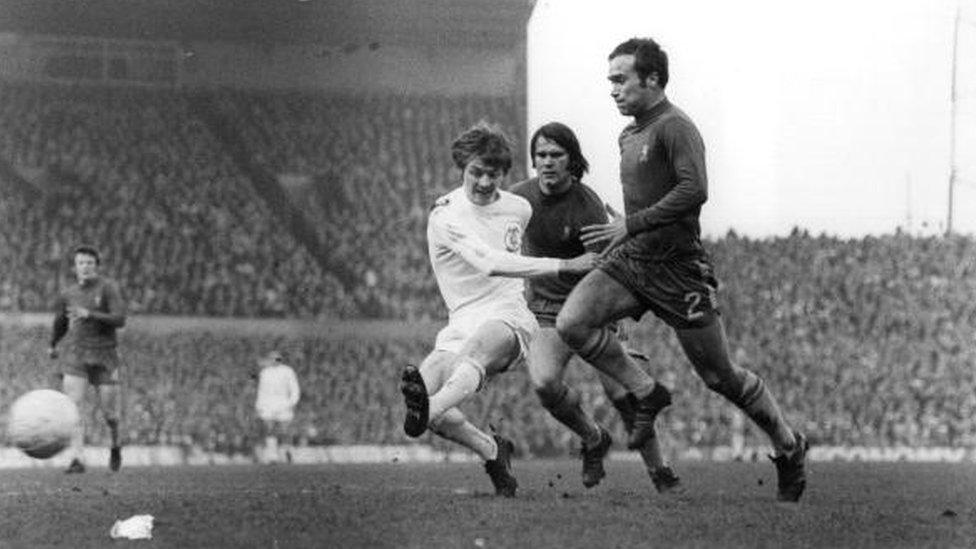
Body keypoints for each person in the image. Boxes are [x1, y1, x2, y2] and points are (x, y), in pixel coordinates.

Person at [559, 37, 808, 502]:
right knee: (573, 322)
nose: (612, 89)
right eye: (609, 80)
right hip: (634, 261)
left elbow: (695, 191)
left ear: (652, 79)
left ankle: (788, 446)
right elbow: (647, 195)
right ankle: (646, 391)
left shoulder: (676, 127)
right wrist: (625, 224)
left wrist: (631, 223)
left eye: (620, 79)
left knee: (720, 379)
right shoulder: (628, 134)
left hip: (679, 270)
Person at [399, 121, 596, 497]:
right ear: (462, 168)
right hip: (461, 322)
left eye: (494, 174)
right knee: (434, 413)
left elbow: (560, 217)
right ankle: (492, 451)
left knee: (439, 393)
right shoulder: (445, 215)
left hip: (508, 315)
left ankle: (427, 406)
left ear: (505, 174)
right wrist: (563, 265)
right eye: (477, 172)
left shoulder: (519, 208)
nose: (485, 182)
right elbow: (488, 261)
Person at [510, 122, 681, 491]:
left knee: (625, 396)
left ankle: (661, 472)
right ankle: (593, 438)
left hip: (589, 314)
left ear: (572, 160)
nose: (548, 162)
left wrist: (614, 319)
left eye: (556, 154)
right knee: (543, 384)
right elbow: (488, 215)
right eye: (541, 154)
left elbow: (607, 267)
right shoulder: (519, 199)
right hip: (544, 314)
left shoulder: (587, 206)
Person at [49, 245, 126, 473]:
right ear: (75, 267)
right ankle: (78, 458)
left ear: (97, 266)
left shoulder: (109, 288)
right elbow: (60, 322)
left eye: (90, 263)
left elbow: (120, 319)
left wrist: (90, 314)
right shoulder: (68, 294)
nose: (85, 266)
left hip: (105, 355)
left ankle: (115, 444)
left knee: (110, 414)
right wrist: (52, 343)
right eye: (81, 263)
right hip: (76, 354)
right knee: (73, 408)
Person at [253, 350, 301, 464]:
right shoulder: (265, 372)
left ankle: (287, 451)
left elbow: (294, 388)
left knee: (285, 430)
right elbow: (261, 390)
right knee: (269, 429)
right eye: (272, 358)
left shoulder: (288, 371)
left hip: (284, 403)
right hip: (268, 405)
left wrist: (292, 402)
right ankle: (272, 455)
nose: (275, 360)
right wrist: (259, 405)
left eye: (277, 358)